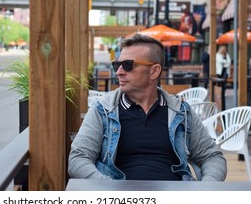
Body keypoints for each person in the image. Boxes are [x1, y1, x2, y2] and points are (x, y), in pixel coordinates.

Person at [68, 34, 227, 181]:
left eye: (127, 65)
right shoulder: (102, 110)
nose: (119, 72)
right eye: (117, 64)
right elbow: (78, 158)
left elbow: (212, 157)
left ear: (154, 71)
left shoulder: (181, 112)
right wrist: (109, 189)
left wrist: (207, 187)